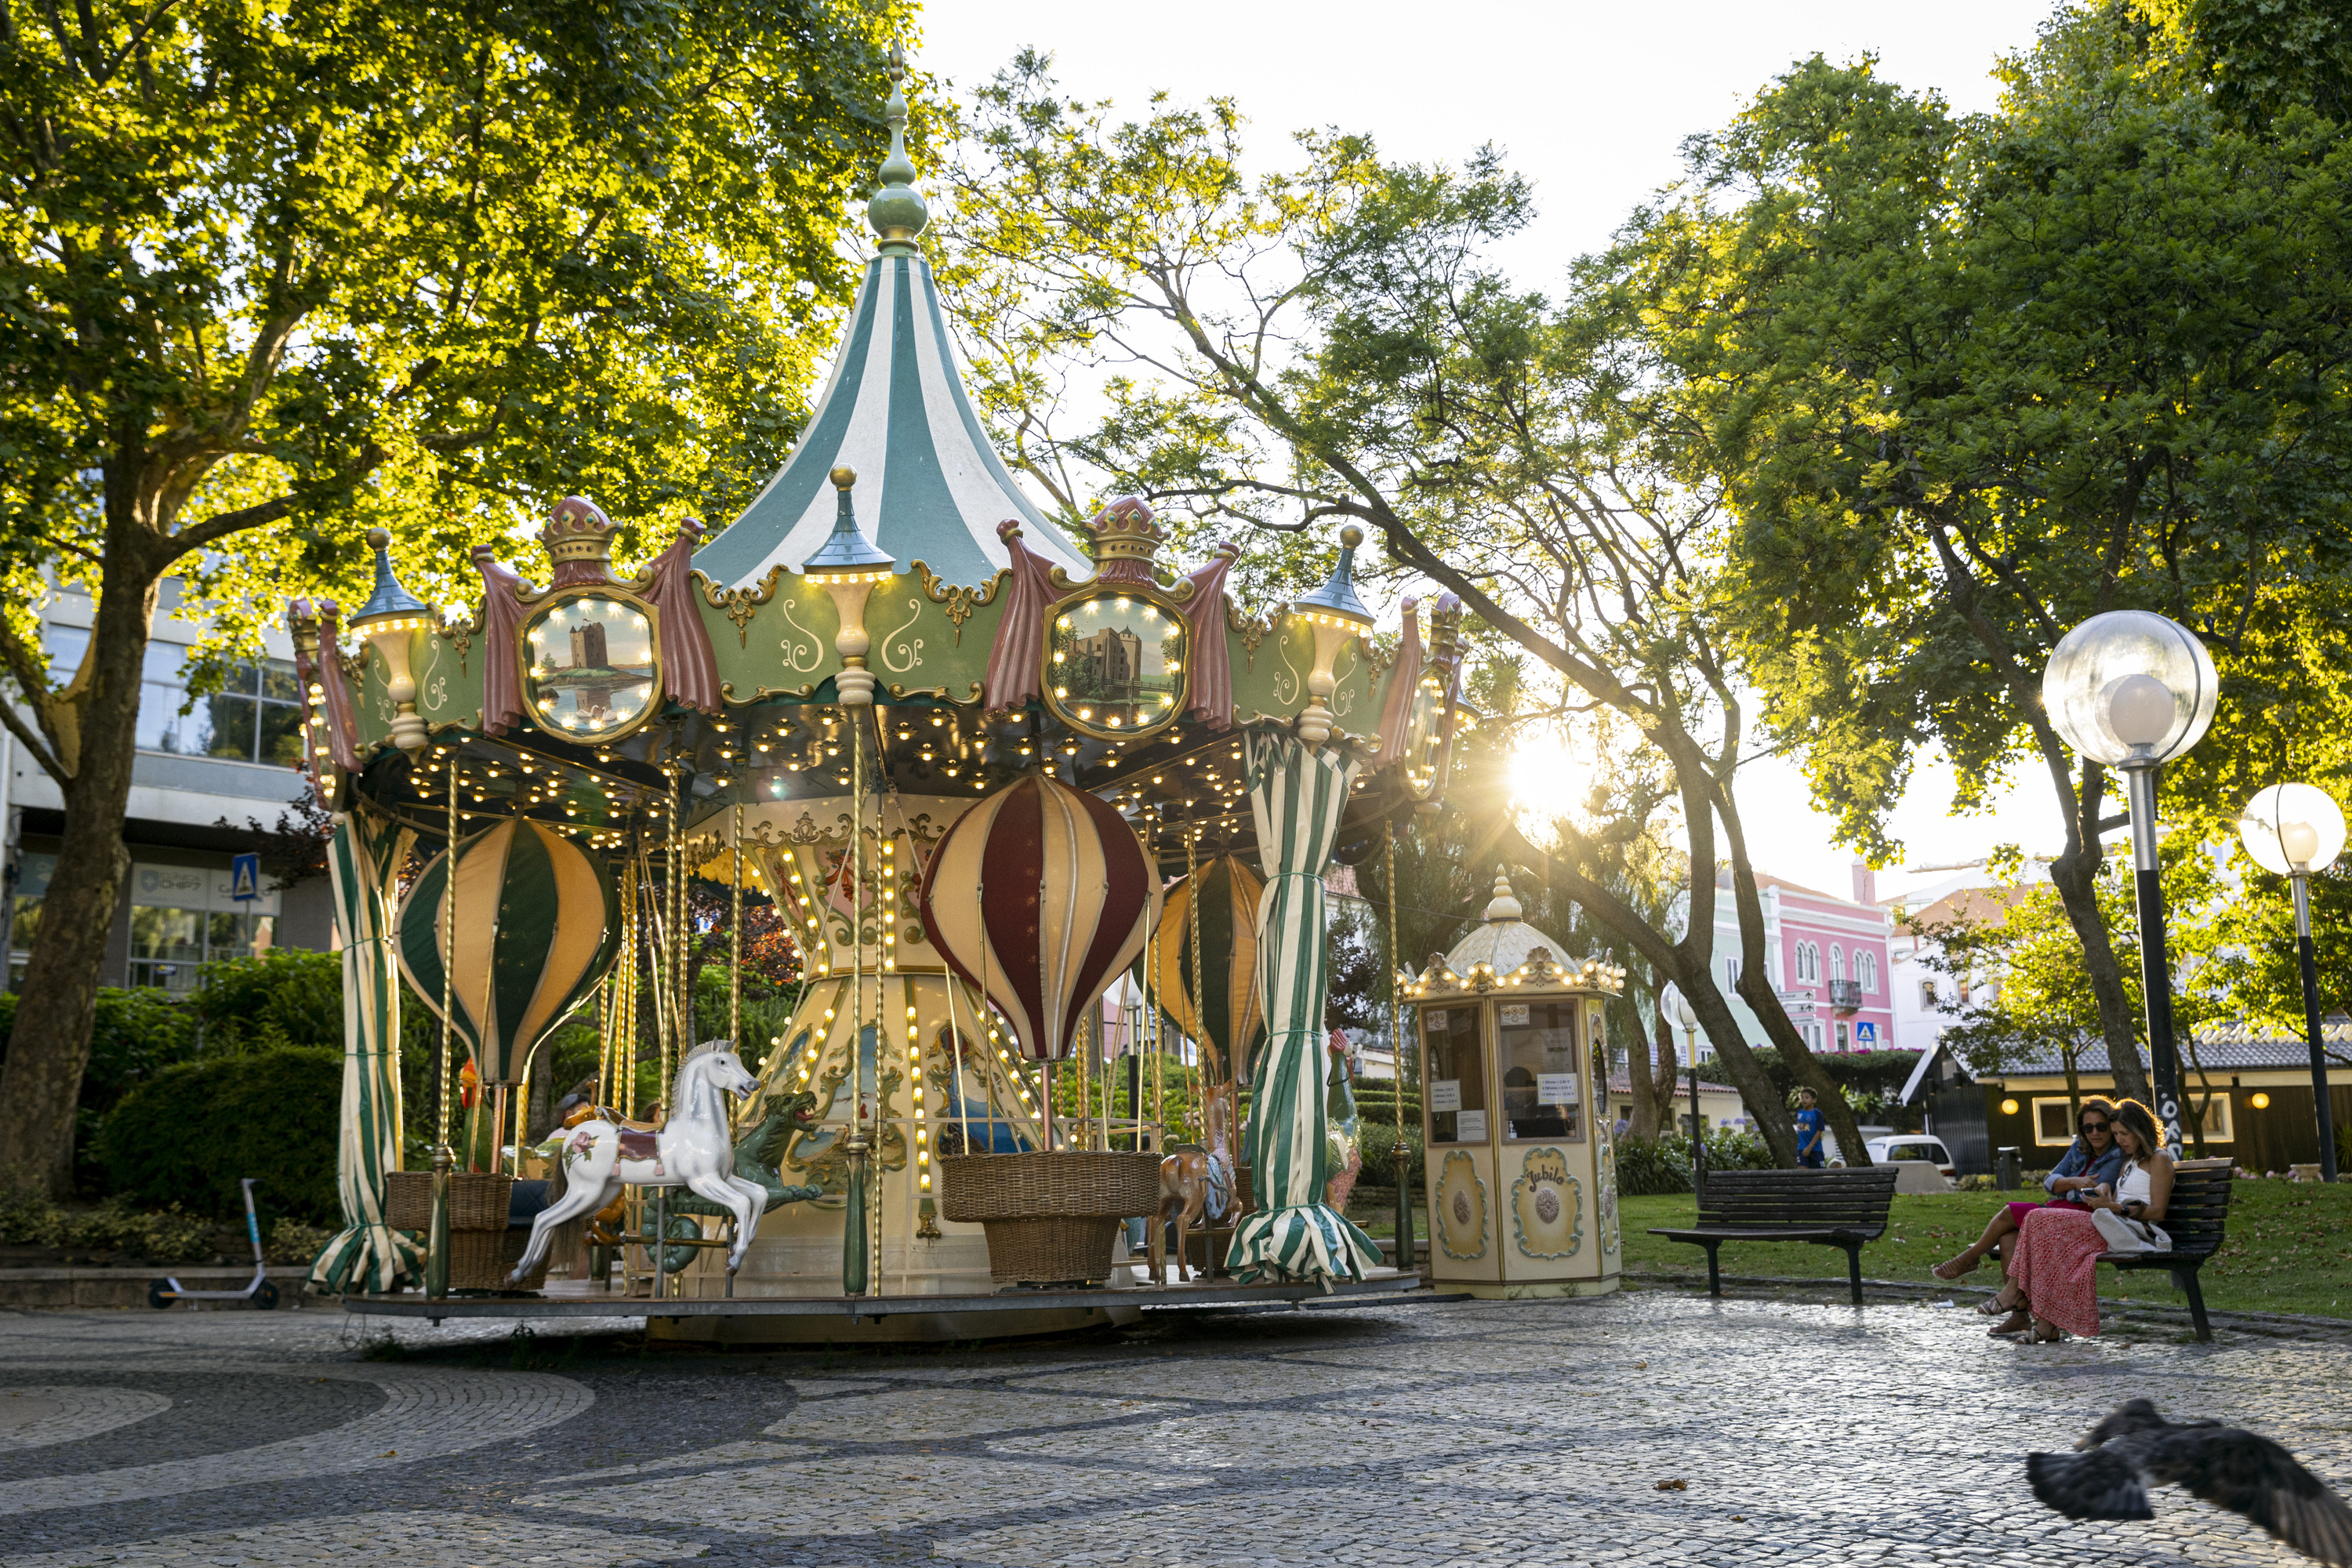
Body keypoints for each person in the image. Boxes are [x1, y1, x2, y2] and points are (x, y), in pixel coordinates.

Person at [1985, 1098, 2174, 1341]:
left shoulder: (2160, 1159)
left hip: (2133, 1230)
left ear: (2140, 1130)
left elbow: (2158, 1212)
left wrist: (2112, 1206)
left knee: (2039, 1218)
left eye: (2124, 1133)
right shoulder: (2129, 1161)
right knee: (2041, 1225)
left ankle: (2016, 1294)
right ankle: (2046, 1323)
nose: (2120, 1140)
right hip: (2110, 1223)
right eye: (2116, 1134)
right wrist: (2106, 1190)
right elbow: (2118, 1197)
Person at [1932, 1098, 2123, 1285]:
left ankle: (1970, 1258)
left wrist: (2065, 1186)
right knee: (2007, 1237)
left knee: (2009, 1212)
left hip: (2084, 1217)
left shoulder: (2117, 1155)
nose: (2095, 1133)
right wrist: (2074, 1181)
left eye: (2101, 1127)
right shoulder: (2079, 1148)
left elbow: (2085, 1195)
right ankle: (2019, 1313)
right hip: (2059, 1210)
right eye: (2088, 1128)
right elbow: (2049, 1182)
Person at [1793, 1087, 1827, 1169]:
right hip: (1802, 1149)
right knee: (1802, 1173)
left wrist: (1809, 1147)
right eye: (1802, 1097)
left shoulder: (1817, 1114)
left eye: (1807, 1098)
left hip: (1815, 1150)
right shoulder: (1799, 1113)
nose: (1804, 1100)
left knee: (1818, 1176)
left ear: (1814, 1100)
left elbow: (1818, 1132)